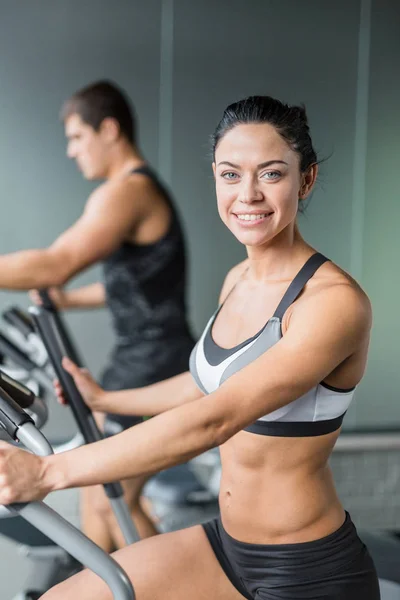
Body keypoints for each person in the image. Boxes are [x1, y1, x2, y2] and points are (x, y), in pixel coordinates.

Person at [0, 95, 379, 599]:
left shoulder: (334, 303)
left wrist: (50, 472)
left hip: (306, 569)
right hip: (227, 548)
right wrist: (107, 399)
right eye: (229, 174)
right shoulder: (237, 280)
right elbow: (205, 385)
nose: (248, 194)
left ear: (304, 179)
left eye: (270, 174)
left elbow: (216, 418)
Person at [0, 80, 195, 547]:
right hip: (146, 361)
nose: (71, 151)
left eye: (76, 137)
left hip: (153, 366)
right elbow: (130, 288)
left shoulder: (126, 192)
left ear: (108, 129)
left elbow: (55, 264)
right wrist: (63, 300)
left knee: (117, 495)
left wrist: (53, 282)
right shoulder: (134, 192)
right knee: (102, 496)